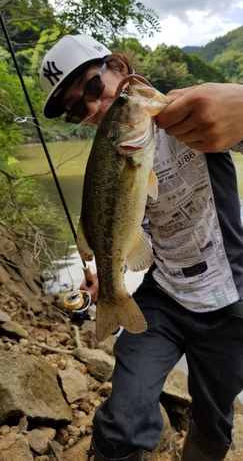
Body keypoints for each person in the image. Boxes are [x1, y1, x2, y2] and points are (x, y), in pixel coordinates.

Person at [40, 34, 243, 461]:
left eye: (94, 88)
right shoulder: (109, 152)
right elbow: (130, 231)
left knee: (214, 415)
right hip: (162, 296)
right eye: (79, 109)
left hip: (232, 301)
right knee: (122, 420)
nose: (93, 108)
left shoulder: (192, 113)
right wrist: (102, 273)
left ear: (118, 67)